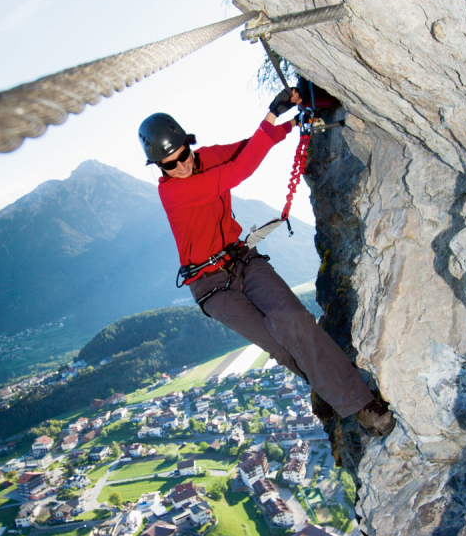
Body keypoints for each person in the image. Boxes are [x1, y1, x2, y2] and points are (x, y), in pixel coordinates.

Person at [138, 89, 395, 436]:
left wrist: (293, 121)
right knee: (279, 346)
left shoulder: (205, 159)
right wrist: (272, 114)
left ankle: (360, 404)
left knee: (295, 321)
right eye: (171, 163)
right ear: (160, 167)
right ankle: (334, 387)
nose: (182, 165)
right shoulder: (172, 191)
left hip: (242, 259)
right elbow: (239, 171)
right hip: (211, 288)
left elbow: (248, 147)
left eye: (184, 154)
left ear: (188, 145)